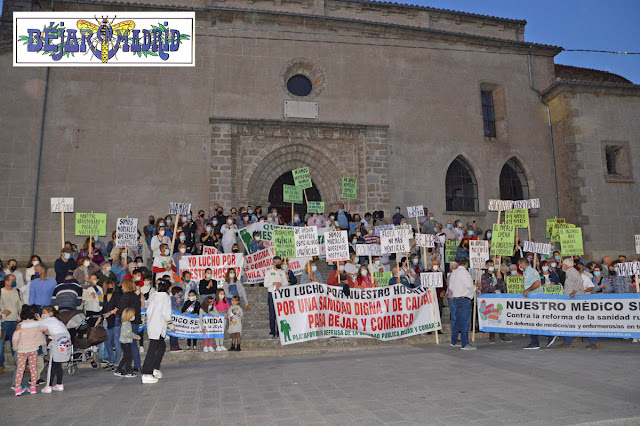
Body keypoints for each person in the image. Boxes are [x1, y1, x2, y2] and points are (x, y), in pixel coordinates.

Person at [19, 305, 71, 393]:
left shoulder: (48, 320)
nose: (42, 314)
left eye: (44, 312)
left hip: (57, 341)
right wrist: (40, 319)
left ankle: (48, 386)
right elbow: (46, 329)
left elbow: (37, 325)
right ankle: (59, 384)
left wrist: (21, 326)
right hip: (66, 341)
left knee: (51, 365)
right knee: (58, 364)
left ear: (50, 313)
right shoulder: (57, 321)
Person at [141, 280, 174, 384]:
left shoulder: (153, 296)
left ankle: (155, 368)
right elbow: (166, 314)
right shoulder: (166, 298)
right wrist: (171, 325)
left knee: (161, 347)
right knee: (152, 349)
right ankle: (146, 373)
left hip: (152, 325)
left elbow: (148, 310)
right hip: (159, 326)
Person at [12, 305, 45, 396]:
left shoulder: (20, 325)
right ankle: (33, 388)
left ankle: (17, 389)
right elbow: (44, 328)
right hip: (33, 349)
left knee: (20, 369)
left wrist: (15, 347)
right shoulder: (37, 324)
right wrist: (39, 319)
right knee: (33, 368)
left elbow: (15, 338)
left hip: (22, 350)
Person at [447, 258, 477, 350]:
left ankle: (454, 340)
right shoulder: (464, 273)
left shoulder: (453, 273)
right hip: (464, 299)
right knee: (465, 323)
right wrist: (475, 288)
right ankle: (465, 343)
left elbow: (451, 287)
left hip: (455, 298)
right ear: (466, 264)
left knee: (457, 321)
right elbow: (469, 285)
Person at [480, 260, 511, 344]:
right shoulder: (484, 276)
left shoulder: (498, 273)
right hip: (490, 298)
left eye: (493, 265)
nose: (491, 266)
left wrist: (500, 279)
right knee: (491, 317)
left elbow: (502, 287)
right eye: (490, 265)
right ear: (486, 266)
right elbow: (486, 289)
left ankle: (503, 336)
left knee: (501, 316)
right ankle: (492, 337)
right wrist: (496, 286)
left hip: (499, 297)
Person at [117, 279, 142, 372]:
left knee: (127, 345)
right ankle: (137, 364)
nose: (121, 287)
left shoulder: (125, 296)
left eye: (123, 285)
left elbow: (121, 310)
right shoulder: (136, 296)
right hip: (135, 321)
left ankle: (126, 366)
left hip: (127, 322)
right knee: (133, 344)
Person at [0, 275, 22, 374]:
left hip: (15, 321)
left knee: (16, 345)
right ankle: (1, 366)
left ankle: (20, 365)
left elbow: (20, 305)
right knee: (1, 345)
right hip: (4, 322)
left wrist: (19, 318)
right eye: (12, 280)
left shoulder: (17, 291)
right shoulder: (1, 292)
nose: (14, 282)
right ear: (7, 282)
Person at [264, 256, 289, 338]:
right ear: (273, 263)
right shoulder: (268, 272)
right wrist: (274, 283)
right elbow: (265, 284)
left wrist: (281, 284)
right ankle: (272, 332)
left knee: (280, 313)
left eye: (280, 263)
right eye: (277, 263)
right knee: (272, 314)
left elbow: (286, 283)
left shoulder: (282, 272)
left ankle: (279, 331)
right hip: (271, 294)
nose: (279, 264)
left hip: (280, 294)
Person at [101, 280, 121, 370]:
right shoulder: (105, 296)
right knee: (107, 342)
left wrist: (110, 312)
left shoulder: (116, 295)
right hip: (108, 321)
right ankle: (111, 361)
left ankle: (116, 362)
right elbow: (104, 308)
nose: (109, 288)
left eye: (111, 286)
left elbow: (119, 306)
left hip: (116, 319)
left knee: (117, 343)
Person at [115, 307, 139, 378]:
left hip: (125, 342)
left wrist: (134, 335)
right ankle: (127, 371)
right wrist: (134, 336)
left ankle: (121, 370)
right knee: (128, 357)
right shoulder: (126, 324)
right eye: (133, 315)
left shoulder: (126, 323)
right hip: (126, 343)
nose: (134, 316)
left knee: (126, 357)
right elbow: (128, 333)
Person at [169, 287, 184, 352]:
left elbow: (181, 307)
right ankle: (172, 346)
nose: (181, 294)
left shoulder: (180, 299)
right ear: (176, 293)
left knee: (177, 332)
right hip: (173, 317)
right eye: (180, 292)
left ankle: (176, 345)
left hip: (178, 317)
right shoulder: (171, 299)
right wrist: (177, 301)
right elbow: (173, 307)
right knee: (173, 332)